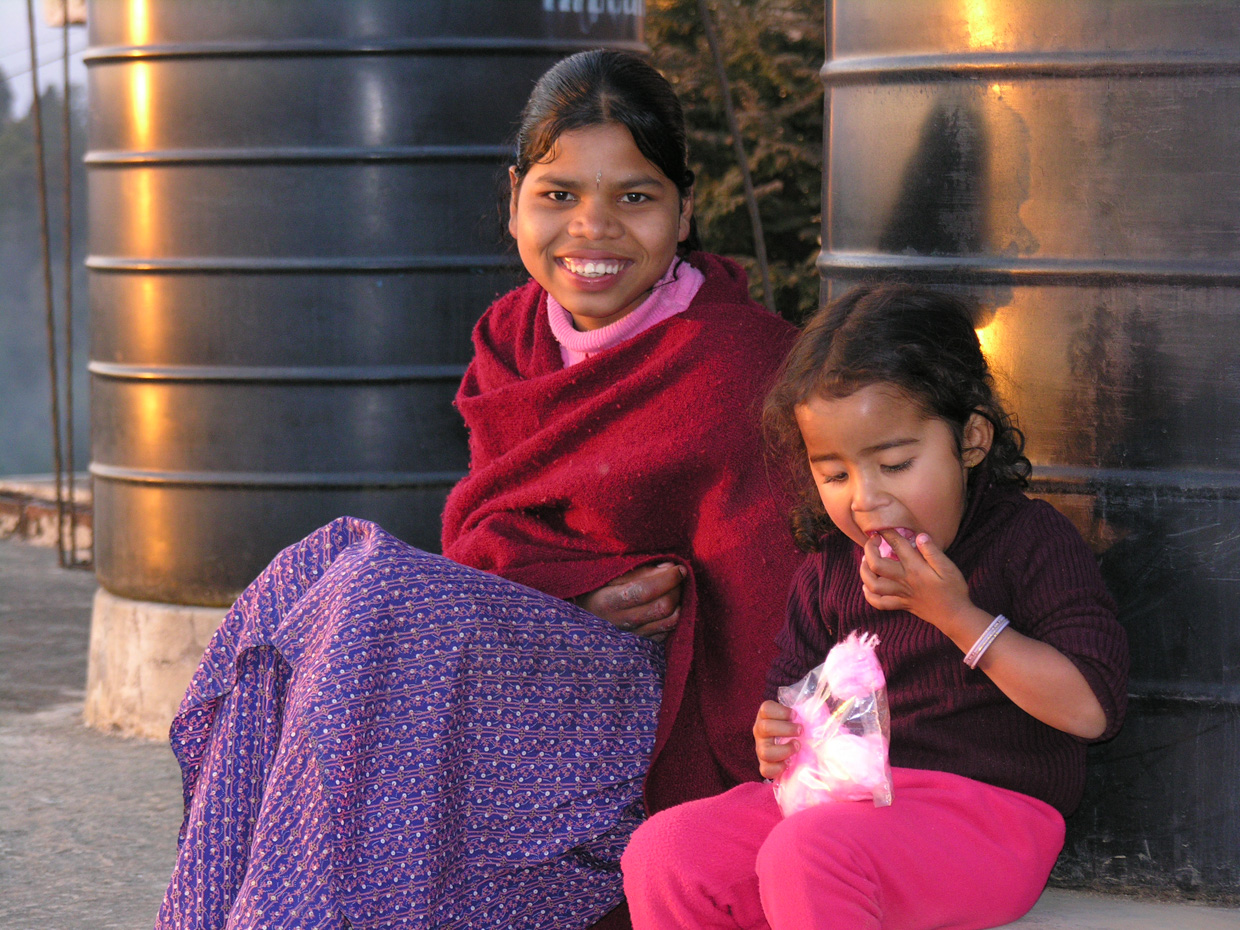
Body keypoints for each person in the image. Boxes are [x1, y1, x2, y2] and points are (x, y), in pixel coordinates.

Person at [154, 50, 803, 930]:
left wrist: (581, 619)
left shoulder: (742, 364)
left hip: (658, 705)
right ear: (514, 200)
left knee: (380, 599)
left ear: (685, 211)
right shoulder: (513, 334)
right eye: (559, 194)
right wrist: (570, 598)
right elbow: (490, 542)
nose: (594, 228)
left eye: (635, 197)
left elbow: (771, 599)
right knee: (321, 573)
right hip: (526, 663)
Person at [621, 284, 1130, 930]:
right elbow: (791, 701)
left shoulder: (1028, 541)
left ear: (972, 439)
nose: (865, 500)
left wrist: (956, 616)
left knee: (809, 852)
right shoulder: (830, 568)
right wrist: (775, 736)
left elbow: (1091, 710)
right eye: (835, 475)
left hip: (992, 821)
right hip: (845, 806)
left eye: (895, 463)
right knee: (666, 851)